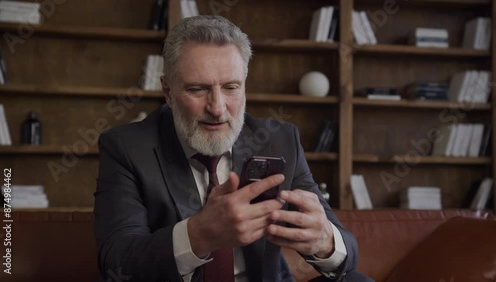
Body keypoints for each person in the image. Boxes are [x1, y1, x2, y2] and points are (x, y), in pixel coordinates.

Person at [94, 15, 372, 282]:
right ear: (167, 91)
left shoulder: (280, 140)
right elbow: (117, 261)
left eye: (231, 87)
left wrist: (323, 240)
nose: (217, 108)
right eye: (197, 89)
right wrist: (199, 235)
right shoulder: (127, 148)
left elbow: (349, 253)